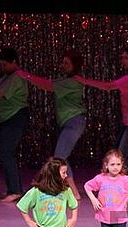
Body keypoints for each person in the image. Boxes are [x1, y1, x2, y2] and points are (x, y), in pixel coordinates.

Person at [74, 46, 128, 200]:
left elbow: (108, 86)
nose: (123, 60)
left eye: (126, 58)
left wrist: (84, 80)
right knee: (119, 155)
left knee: (121, 157)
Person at [18, 50, 86, 199]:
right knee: (62, 156)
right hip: (69, 122)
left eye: (67, 63)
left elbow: (48, 85)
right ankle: (71, 190)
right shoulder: (67, 80)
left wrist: (27, 76)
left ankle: (71, 191)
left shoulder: (73, 81)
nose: (63, 65)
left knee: (60, 156)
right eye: (63, 62)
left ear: (75, 65)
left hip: (74, 121)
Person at [0, 48, 30, 202]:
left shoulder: (16, 77)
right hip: (8, 118)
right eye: (0, 65)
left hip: (15, 117)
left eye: (4, 64)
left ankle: (15, 190)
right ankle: (13, 188)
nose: (2, 68)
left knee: (6, 151)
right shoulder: (7, 77)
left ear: (14, 62)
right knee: (5, 152)